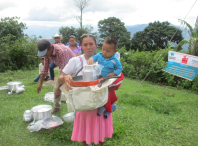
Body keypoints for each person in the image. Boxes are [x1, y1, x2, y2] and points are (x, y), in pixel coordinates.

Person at [58, 34, 124, 146]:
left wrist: (113, 78)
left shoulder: (105, 59)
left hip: (101, 101)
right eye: (85, 44)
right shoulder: (76, 60)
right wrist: (65, 77)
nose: (88, 47)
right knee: (85, 129)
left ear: (96, 45)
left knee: (101, 126)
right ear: (81, 47)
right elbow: (60, 79)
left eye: (91, 44)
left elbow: (118, 76)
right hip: (83, 102)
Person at [87, 36, 122, 119]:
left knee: (107, 94)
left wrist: (114, 73)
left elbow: (120, 68)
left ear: (115, 51)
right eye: (103, 49)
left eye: (108, 51)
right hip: (99, 79)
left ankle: (108, 107)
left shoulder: (115, 60)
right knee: (99, 92)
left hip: (108, 81)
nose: (105, 52)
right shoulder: (99, 55)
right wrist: (91, 58)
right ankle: (104, 105)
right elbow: (94, 57)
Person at [37, 39, 75, 113]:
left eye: (45, 53)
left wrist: (59, 88)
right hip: (64, 69)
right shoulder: (47, 53)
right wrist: (40, 84)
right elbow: (45, 68)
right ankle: (57, 107)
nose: (45, 55)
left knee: (72, 89)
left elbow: (66, 70)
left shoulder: (62, 52)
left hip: (74, 69)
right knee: (56, 90)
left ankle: (76, 108)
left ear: (50, 48)